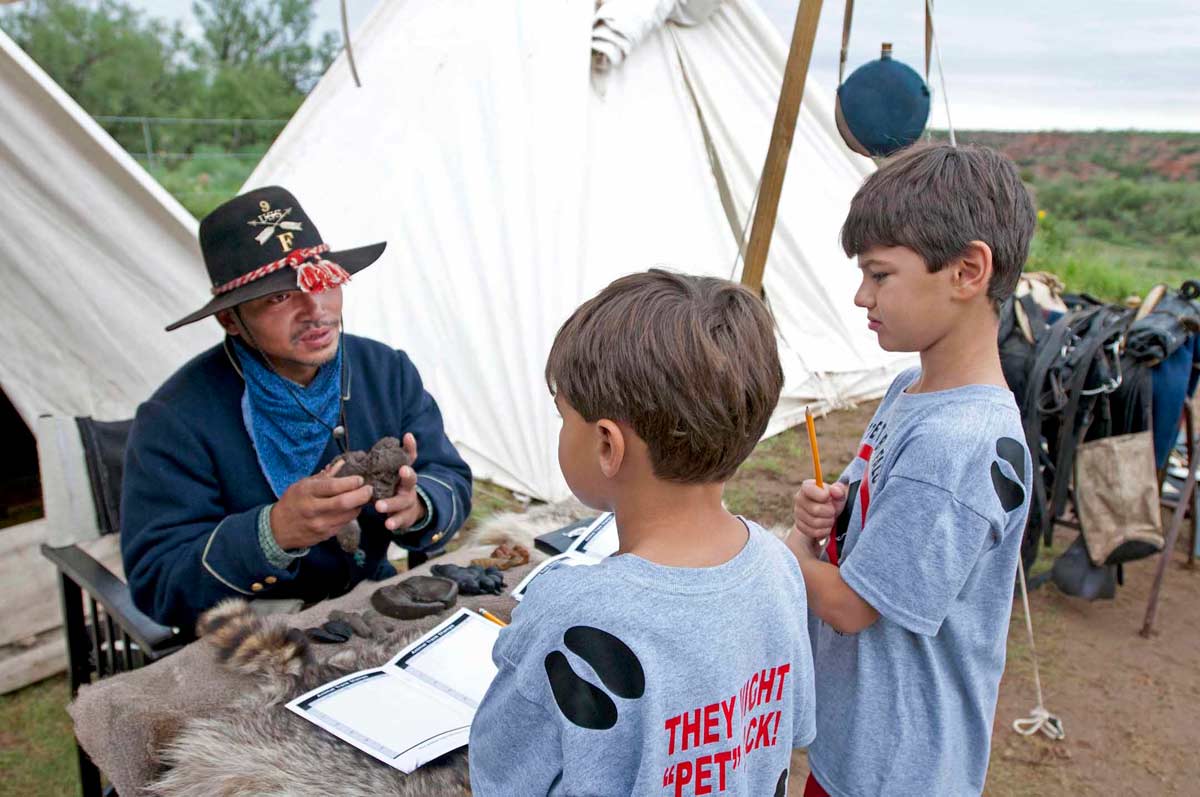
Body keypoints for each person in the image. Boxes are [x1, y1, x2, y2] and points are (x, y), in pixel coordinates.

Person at [469, 270, 816, 796]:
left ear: (608, 444)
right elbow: (792, 727)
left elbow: (503, 777)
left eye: (564, 416)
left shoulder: (569, 608)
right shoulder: (778, 565)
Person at [785, 143, 1036, 797]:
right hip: (858, 743)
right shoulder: (909, 389)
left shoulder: (960, 446)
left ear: (967, 271)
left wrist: (747, 551)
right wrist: (832, 508)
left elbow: (849, 606)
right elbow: (862, 507)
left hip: (894, 768)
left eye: (880, 274)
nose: (860, 294)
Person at [120, 186, 472, 629]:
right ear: (229, 319)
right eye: (279, 297)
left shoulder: (386, 370)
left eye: (323, 284)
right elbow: (159, 582)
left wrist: (417, 505)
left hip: (373, 606)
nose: (316, 310)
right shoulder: (173, 419)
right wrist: (273, 533)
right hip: (254, 637)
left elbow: (450, 476)